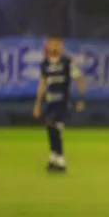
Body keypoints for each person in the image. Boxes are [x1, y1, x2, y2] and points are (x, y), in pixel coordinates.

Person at [32, 37, 86, 172]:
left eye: (57, 44)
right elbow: (43, 83)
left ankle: (61, 159)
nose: (54, 47)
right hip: (50, 101)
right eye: (51, 44)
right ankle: (53, 157)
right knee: (50, 129)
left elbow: (79, 78)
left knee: (56, 127)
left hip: (63, 101)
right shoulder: (45, 64)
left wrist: (81, 98)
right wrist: (38, 103)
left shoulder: (67, 62)